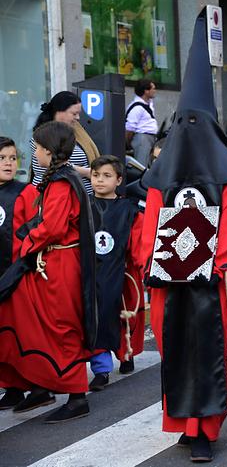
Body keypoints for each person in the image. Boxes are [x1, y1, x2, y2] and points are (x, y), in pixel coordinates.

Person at [140, 9, 227, 462]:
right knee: (175, 350)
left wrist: (214, 261)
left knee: (210, 350)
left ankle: (206, 425)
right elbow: (150, 223)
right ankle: (185, 423)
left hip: (212, 280)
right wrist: (155, 262)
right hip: (169, 281)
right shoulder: (159, 176)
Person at [0, 121, 97, 422]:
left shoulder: (60, 183)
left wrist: (27, 239)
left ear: (48, 151)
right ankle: (40, 380)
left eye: (38, 148)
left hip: (58, 265)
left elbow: (53, 227)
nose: (35, 153)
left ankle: (77, 395)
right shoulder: (61, 180)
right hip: (54, 264)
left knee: (61, 326)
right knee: (32, 319)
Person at [88, 155, 144, 387]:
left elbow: (139, 244)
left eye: (107, 176)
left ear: (119, 180)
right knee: (96, 318)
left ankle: (126, 353)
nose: (100, 180)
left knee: (124, 315)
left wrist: (143, 269)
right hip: (92, 273)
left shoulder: (129, 210)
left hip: (122, 271)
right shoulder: (84, 206)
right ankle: (101, 369)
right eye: (95, 175)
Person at [30, 91, 99, 194]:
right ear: (58, 111)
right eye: (74, 114)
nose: (78, 118)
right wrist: (86, 172)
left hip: (83, 197)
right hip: (54, 195)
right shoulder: (42, 135)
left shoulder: (77, 131)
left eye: (78, 114)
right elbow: (49, 165)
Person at [0, 138, 38, 277]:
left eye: (13, 158)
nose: (8, 163)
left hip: (17, 274)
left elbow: (35, 232)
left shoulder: (27, 192)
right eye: (2, 157)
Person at [125, 78, 158, 167]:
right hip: (142, 138)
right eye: (153, 88)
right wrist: (128, 144)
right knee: (141, 165)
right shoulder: (137, 107)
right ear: (146, 91)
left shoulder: (149, 104)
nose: (155, 91)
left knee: (148, 165)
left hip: (149, 138)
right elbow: (130, 128)